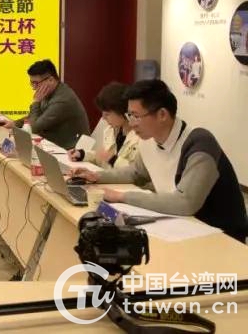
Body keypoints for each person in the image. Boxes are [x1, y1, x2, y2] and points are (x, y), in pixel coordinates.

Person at [72, 79, 248, 242]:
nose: (131, 123)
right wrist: (97, 176)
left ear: (162, 114)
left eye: (136, 116)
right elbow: (135, 173)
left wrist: (122, 197)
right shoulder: (149, 140)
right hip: (179, 225)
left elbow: (185, 202)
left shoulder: (200, 143)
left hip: (220, 235)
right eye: (129, 115)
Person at [0, 59, 89, 149]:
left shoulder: (62, 100)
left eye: (36, 83)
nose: (33, 87)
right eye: (32, 83)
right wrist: (14, 124)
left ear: (51, 80)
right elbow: (36, 117)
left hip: (71, 152)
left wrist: (36, 102)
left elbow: (33, 128)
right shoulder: (51, 91)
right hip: (53, 145)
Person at [68, 82, 139, 169]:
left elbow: (137, 171)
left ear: (122, 112)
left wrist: (112, 159)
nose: (103, 118)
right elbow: (103, 157)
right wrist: (82, 154)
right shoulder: (111, 130)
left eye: (107, 114)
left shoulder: (142, 137)